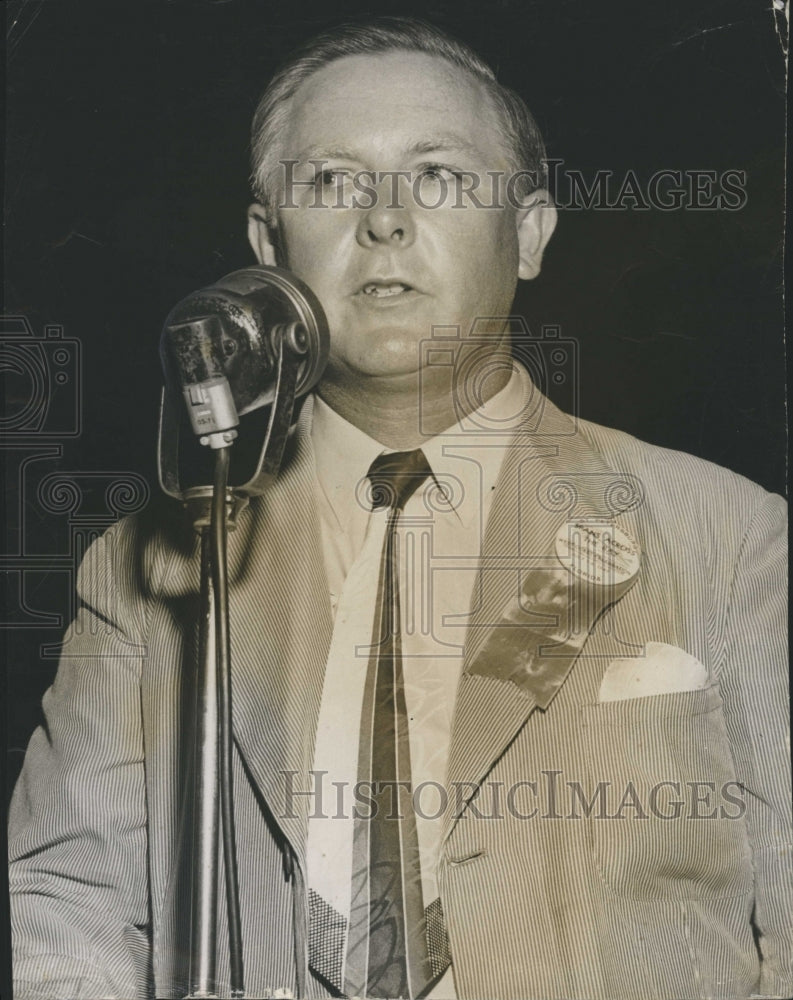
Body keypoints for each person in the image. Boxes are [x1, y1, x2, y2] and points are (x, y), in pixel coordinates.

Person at [8, 17, 790, 1000]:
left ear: (531, 233)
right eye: (331, 181)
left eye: (438, 177)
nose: (383, 220)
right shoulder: (151, 567)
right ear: (266, 242)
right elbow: (62, 897)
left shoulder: (727, 536)